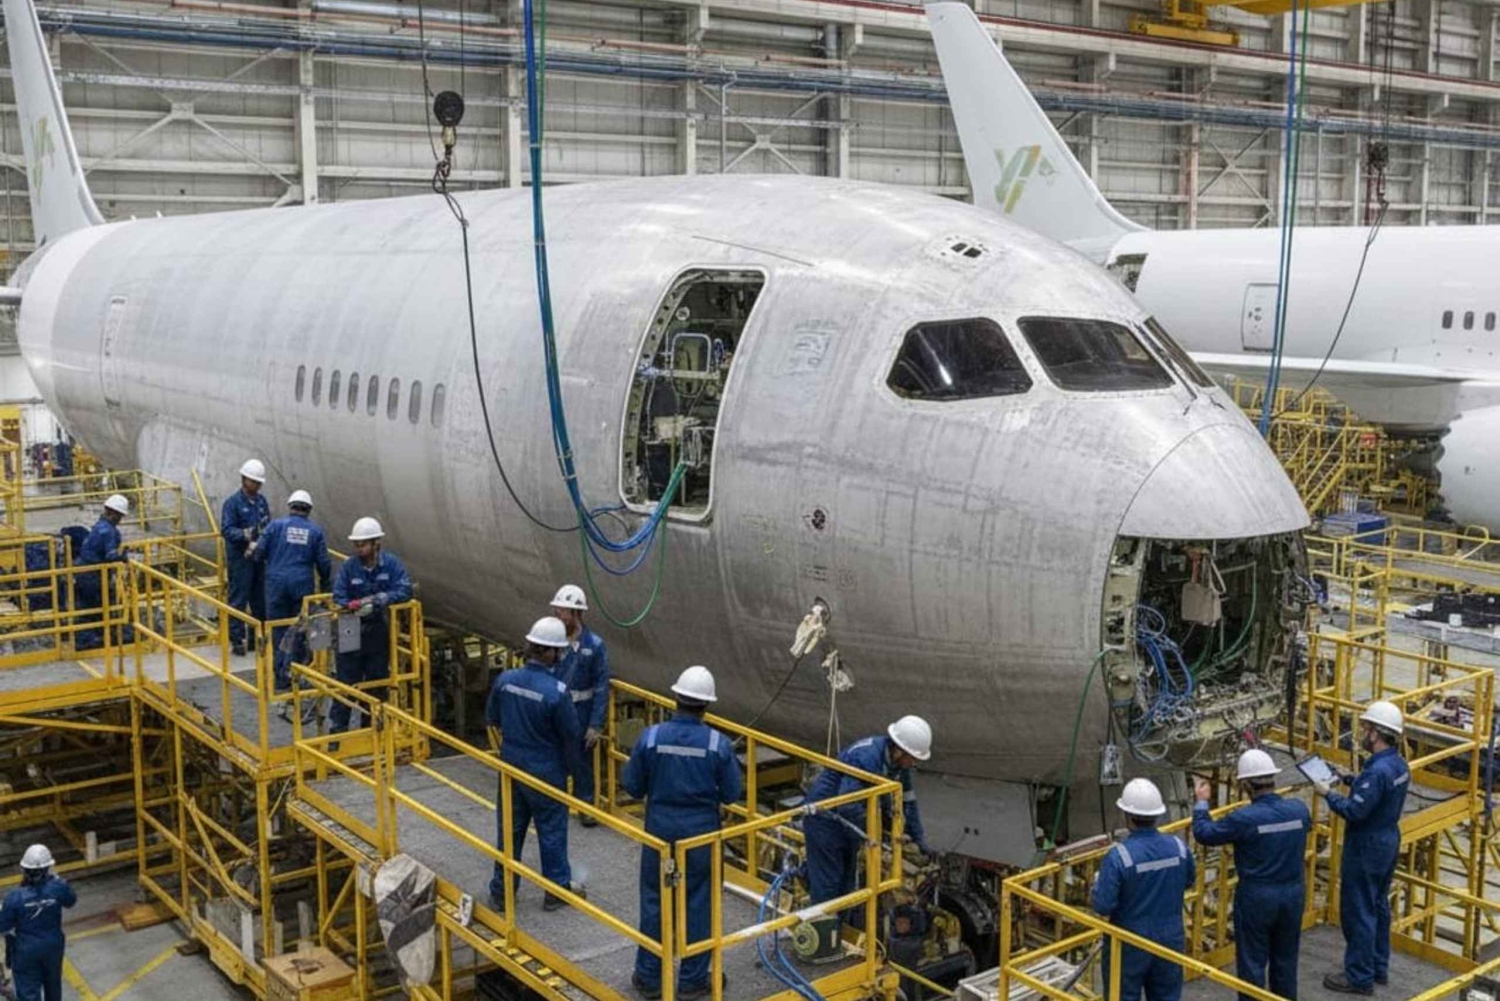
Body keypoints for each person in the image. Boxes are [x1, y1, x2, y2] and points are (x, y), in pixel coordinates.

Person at [623, 666, 742, 1000]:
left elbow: (632, 786)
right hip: (700, 839)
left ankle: (648, 978)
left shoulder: (651, 737)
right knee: (699, 904)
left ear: (676, 697)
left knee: (654, 901)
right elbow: (732, 794)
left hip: (659, 834)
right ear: (706, 705)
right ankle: (692, 981)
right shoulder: (718, 744)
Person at [1192, 749, 1310, 1001]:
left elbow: (1205, 834)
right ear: (1273, 779)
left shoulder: (1244, 818)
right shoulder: (1299, 810)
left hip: (1257, 897)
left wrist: (1201, 803)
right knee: (1286, 959)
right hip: (1293, 893)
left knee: (1252, 962)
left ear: (1245, 785)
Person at [485, 617, 584, 913]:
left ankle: (502, 892)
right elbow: (571, 735)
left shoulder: (505, 680)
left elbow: (492, 718)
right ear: (551, 652)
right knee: (551, 831)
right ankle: (556, 890)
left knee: (509, 830)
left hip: (511, 768)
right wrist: (576, 775)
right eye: (559, 651)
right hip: (546, 772)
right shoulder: (556, 692)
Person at [1315, 700, 1409, 995]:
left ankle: (1359, 977)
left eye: (1365, 728)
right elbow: (1377, 789)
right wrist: (1349, 779)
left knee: (1359, 910)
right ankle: (1378, 967)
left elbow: (1355, 811)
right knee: (1378, 905)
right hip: (1387, 839)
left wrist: (1328, 794)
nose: (1361, 733)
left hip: (1366, 845)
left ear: (1376, 733)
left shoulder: (1377, 772)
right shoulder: (1397, 764)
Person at [803, 716, 933, 923]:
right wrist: (878, 837)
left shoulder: (899, 766)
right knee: (828, 885)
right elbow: (848, 805)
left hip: (847, 824)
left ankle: (840, 930)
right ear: (899, 750)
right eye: (913, 758)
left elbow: (907, 803)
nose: (914, 763)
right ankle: (822, 934)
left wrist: (919, 840)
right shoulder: (866, 758)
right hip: (824, 820)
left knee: (847, 886)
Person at [1092, 778, 1195, 1001]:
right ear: (1157, 815)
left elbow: (1103, 905)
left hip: (1128, 942)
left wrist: (1097, 884)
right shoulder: (1179, 847)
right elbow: (1189, 881)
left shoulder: (1119, 856)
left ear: (1127, 817)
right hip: (1170, 938)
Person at [329, 517, 413, 734]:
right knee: (346, 682)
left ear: (376, 543)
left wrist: (382, 598)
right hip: (349, 625)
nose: (359, 549)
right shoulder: (349, 567)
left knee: (376, 681)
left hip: (376, 628)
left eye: (363, 544)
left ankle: (372, 730)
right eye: (357, 545)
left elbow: (405, 589)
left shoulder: (391, 564)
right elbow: (338, 594)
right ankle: (337, 733)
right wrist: (350, 605)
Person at [251, 490, 331, 692]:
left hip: (276, 586)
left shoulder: (275, 526)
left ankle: (280, 678)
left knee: (277, 629)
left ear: (290, 507)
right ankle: (295, 672)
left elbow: (259, 552)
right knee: (299, 630)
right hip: (301, 587)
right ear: (309, 510)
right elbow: (323, 563)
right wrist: (325, 584)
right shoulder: (315, 531)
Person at [549, 584, 610, 826]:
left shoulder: (594, 646)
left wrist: (595, 725)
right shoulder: (552, 640)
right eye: (557, 610)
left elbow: (601, 686)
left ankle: (586, 806)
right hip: (555, 709)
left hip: (581, 712)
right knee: (554, 758)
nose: (558, 615)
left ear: (577, 613)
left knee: (581, 762)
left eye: (563, 611)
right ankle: (555, 805)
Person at [0, 844, 76, 1001]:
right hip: (53, 947)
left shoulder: (14, 897)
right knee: (53, 986)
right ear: (48, 868)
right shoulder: (57, 888)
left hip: (26, 950)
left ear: (24, 869)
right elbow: (71, 901)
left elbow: (3, 925)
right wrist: (58, 880)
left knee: (28, 992)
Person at [221, 459, 271, 656]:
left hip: (258, 558)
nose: (256, 486)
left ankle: (255, 638)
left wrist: (261, 541)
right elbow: (226, 530)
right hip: (240, 559)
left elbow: (267, 525)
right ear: (244, 480)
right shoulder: (232, 504)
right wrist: (245, 535)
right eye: (253, 482)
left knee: (260, 599)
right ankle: (237, 640)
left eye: (259, 483)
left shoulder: (261, 502)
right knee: (238, 599)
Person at [74, 494, 131, 651]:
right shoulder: (108, 531)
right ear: (115, 514)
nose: (120, 520)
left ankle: (89, 637)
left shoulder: (99, 525)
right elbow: (111, 556)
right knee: (97, 605)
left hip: (82, 570)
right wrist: (123, 557)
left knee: (87, 606)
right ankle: (90, 639)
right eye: (120, 516)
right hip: (92, 573)